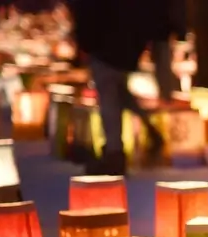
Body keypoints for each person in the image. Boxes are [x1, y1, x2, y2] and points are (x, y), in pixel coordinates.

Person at [70, 0, 167, 175]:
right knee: (119, 93)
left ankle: (115, 154)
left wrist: (83, 43)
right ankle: (150, 129)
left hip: (105, 46)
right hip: (124, 45)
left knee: (109, 100)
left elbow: (88, 12)